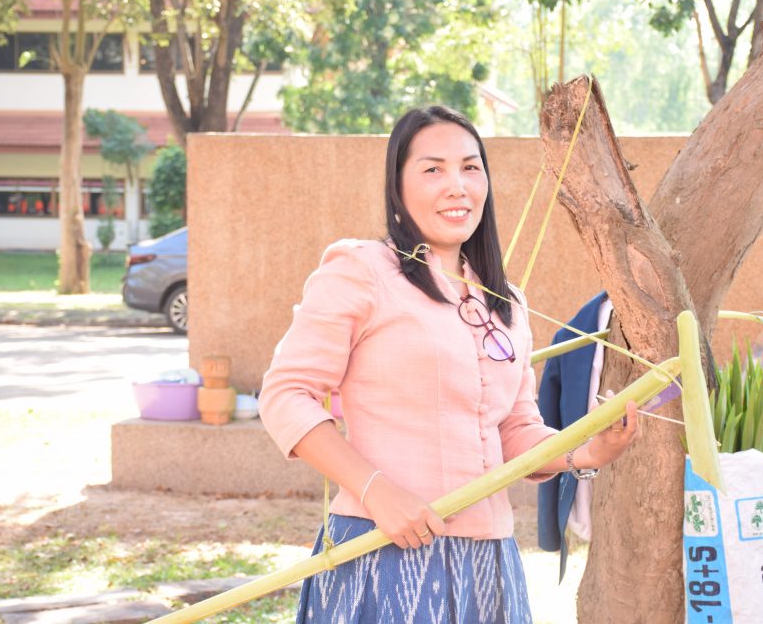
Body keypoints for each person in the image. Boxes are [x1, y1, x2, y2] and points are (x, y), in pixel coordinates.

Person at [258, 105, 641, 623]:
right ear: (398, 185)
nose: (457, 186)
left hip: (490, 564)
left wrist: (588, 450)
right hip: (382, 547)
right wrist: (376, 492)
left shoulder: (507, 300)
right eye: (433, 169)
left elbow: (514, 430)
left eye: (470, 167)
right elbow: (285, 395)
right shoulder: (361, 269)